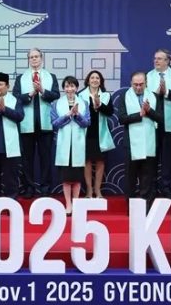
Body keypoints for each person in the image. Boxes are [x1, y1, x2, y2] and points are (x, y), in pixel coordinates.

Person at [13, 48, 60, 198]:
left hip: (46, 124)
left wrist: (42, 91)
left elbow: (56, 95)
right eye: (31, 57)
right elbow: (15, 97)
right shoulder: (21, 78)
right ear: (28, 59)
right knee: (27, 159)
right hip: (26, 124)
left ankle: (45, 188)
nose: (34, 59)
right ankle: (29, 188)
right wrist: (30, 94)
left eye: (36, 56)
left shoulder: (50, 76)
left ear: (41, 58)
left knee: (45, 158)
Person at [117, 71, 162, 207]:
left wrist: (149, 111)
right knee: (130, 178)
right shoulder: (124, 96)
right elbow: (122, 118)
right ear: (131, 83)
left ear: (146, 83)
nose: (138, 87)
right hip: (131, 144)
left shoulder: (154, 96)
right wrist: (140, 114)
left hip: (149, 142)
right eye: (135, 84)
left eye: (141, 84)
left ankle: (146, 207)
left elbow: (161, 118)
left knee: (147, 177)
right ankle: (131, 208)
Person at [146, 48, 171, 199]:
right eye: (155, 58)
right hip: (151, 123)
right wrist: (156, 94)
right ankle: (151, 189)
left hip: (170, 124)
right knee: (151, 158)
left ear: (167, 61)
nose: (156, 61)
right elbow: (143, 97)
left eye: (159, 58)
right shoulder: (148, 76)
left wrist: (167, 92)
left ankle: (166, 188)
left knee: (168, 158)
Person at [50, 76, 90, 215]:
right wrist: (68, 115)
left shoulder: (84, 103)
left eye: (72, 86)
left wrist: (77, 114)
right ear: (64, 88)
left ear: (77, 88)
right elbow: (54, 123)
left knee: (77, 179)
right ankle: (68, 204)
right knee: (66, 179)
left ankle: (76, 203)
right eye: (67, 86)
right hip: (64, 144)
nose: (70, 89)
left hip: (78, 144)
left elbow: (87, 123)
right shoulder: (56, 104)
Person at [78, 70, 116, 199]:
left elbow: (110, 112)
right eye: (92, 78)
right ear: (88, 81)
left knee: (100, 161)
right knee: (87, 161)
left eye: (97, 78)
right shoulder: (81, 95)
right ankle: (89, 190)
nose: (95, 80)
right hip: (86, 132)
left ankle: (97, 190)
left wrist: (99, 105)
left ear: (101, 81)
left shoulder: (106, 95)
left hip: (101, 133)